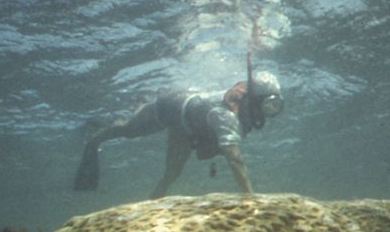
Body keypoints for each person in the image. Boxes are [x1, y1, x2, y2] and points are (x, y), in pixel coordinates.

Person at [74, 54, 283, 198]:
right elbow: (235, 159)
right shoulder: (226, 116)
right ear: (253, 100)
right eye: (267, 106)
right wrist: (250, 196)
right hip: (171, 107)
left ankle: (152, 207)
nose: (268, 113)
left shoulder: (238, 110)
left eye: (275, 106)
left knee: (171, 175)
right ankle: (95, 138)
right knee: (129, 130)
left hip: (187, 127)